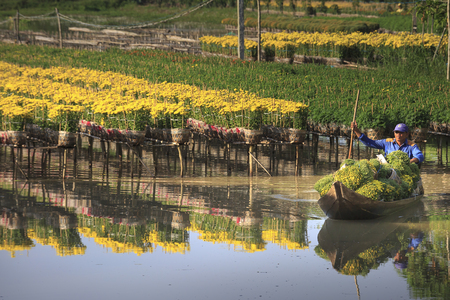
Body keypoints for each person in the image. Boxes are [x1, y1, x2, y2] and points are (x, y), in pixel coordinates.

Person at [350, 122, 424, 164]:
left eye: (401, 133)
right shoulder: (388, 142)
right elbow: (370, 143)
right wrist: (357, 131)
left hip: (404, 171)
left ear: (407, 134)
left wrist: (411, 161)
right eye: (396, 132)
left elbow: (419, 156)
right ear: (394, 133)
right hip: (389, 170)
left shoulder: (411, 145)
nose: (398, 135)